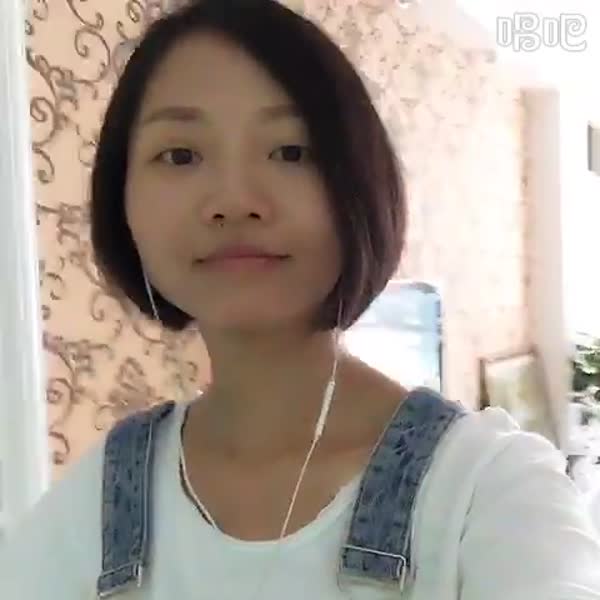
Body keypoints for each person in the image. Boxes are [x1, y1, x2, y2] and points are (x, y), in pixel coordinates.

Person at [1, 0, 600, 598]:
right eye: (180, 155)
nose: (234, 201)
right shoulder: (97, 503)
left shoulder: (488, 492)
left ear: (358, 185)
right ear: (122, 200)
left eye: (290, 151)